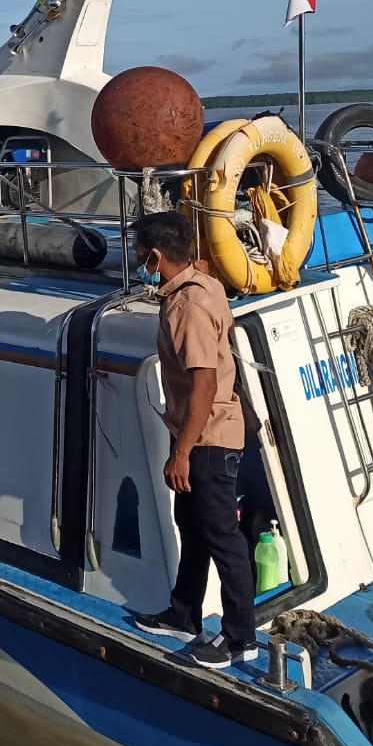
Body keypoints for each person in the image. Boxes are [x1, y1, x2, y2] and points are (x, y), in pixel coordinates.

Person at [128, 210, 259, 670]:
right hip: (198, 431)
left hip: (209, 439)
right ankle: (184, 613)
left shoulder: (188, 306)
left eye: (141, 253)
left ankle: (240, 637)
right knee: (193, 524)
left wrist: (182, 452)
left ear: (155, 256)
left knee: (224, 537)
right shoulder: (203, 283)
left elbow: (203, 382)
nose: (138, 260)